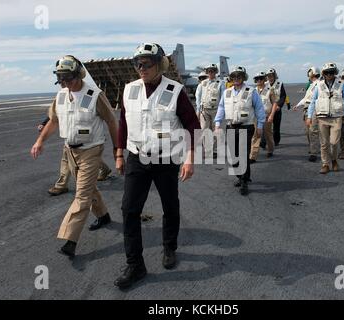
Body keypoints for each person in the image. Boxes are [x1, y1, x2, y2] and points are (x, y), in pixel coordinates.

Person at [114, 43, 201, 290]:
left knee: (170, 206)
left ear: (160, 64)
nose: (142, 68)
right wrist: (119, 154)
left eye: (147, 63)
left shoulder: (175, 91)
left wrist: (189, 158)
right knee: (129, 210)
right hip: (136, 157)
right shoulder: (129, 90)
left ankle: (169, 247)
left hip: (166, 159)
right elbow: (123, 124)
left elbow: (192, 126)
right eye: (138, 64)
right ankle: (135, 265)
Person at [30, 55, 119, 257]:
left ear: (78, 74)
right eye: (61, 79)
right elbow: (53, 121)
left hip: (91, 150)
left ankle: (70, 240)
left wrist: (117, 150)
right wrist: (40, 141)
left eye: (68, 78)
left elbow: (111, 122)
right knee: (89, 188)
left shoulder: (94, 94)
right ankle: (104, 216)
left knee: (82, 195)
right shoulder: (61, 95)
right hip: (70, 150)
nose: (65, 83)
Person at [214, 66, 265, 195]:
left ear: (243, 78)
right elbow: (221, 107)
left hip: (246, 126)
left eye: (239, 76)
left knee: (242, 154)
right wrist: (217, 123)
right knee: (232, 156)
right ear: (231, 78)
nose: (236, 79)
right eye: (234, 77)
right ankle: (241, 176)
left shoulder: (251, 91)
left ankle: (244, 181)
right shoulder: (227, 92)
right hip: (231, 126)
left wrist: (260, 125)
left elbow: (259, 109)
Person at [37, 116, 112, 196]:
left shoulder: (90, 103)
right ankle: (61, 185)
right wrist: (44, 123)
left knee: (88, 157)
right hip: (71, 136)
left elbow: (108, 118)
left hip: (87, 135)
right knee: (67, 157)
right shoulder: (62, 103)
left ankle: (62, 185)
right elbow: (55, 112)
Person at [306, 62, 344, 174]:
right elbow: (313, 101)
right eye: (327, 72)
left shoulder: (341, 84)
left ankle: (334, 160)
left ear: (335, 73)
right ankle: (325, 164)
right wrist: (309, 116)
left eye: (331, 72)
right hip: (322, 117)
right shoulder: (319, 85)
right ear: (323, 73)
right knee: (324, 143)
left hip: (336, 117)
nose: (329, 75)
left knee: (334, 142)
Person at [195, 63, 226, 159]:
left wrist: (222, 111)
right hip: (204, 110)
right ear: (207, 72)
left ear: (215, 72)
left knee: (216, 131)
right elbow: (198, 97)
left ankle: (214, 150)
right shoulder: (202, 84)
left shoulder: (221, 83)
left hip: (216, 110)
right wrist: (198, 110)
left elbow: (223, 98)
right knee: (204, 129)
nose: (210, 73)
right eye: (209, 71)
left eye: (212, 71)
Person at [293, 66, 321, 162]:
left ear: (311, 74)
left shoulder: (319, 84)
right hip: (306, 109)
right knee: (308, 131)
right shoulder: (311, 85)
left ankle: (314, 152)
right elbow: (306, 98)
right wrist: (298, 105)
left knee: (313, 131)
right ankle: (312, 148)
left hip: (314, 109)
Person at [249, 72, 277, 162]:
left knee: (268, 135)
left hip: (266, 116)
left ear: (264, 80)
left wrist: (272, 115)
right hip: (256, 117)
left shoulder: (270, 90)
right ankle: (253, 156)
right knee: (256, 136)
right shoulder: (253, 91)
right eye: (257, 79)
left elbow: (274, 103)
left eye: (261, 79)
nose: (259, 81)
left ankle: (270, 149)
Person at [266, 68, 286, 146]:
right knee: (266, 127)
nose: (270, 78)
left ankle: (276, 141)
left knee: (276, 127)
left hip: (277, 109)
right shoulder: (265, 84)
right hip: (267, 109)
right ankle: (266, 142)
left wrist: (279, 105)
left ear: (274, 76)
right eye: (268, 76)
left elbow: (283, 96)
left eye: (271, 76)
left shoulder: (280, 84)